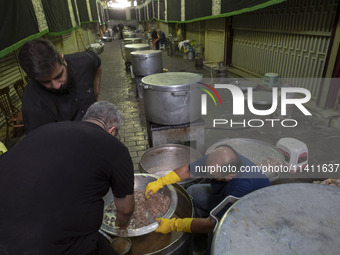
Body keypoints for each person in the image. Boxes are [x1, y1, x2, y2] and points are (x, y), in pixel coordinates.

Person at [0, 101, 135, 255]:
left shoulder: (47, 129)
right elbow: (125, 209)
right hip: (42, 242)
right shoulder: (115, 148)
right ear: (112, 131)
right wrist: (121, 226)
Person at [145, 145, 271, 234]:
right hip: (224, 194)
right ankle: (200, 224)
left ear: (228, 176)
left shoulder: (242, 188)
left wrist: (175, 225)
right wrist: (160, 181)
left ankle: (204, 241)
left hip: (251, 214)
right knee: (193, 192)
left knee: (215, 233)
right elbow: (188, 170)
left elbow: (214, 224)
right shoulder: (218, 159)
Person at [18, 38, 102, 134]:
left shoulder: (83, 61)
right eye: (47, 82)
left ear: (63, 60)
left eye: (59, 76)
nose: (57, 85)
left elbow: (98, 64)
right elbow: (42, 142)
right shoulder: (34, 105)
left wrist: (95, 94)